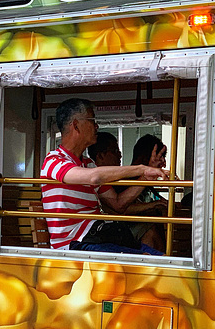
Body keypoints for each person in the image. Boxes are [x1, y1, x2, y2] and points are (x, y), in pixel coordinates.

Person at [40, 98, 166, 254]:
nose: (96, 126)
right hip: (73, 244)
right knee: (147, 260)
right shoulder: (54, 160)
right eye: (92, 120)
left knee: (160, 258)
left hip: (96, 238)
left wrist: (145, 179)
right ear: (76, 125)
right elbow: (94, 177)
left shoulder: (88, 163)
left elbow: (118, 204)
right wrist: (141, 169)